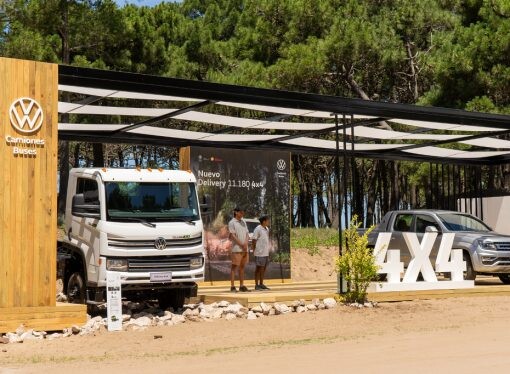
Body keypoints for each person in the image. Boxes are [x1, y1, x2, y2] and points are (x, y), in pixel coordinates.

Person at [228, 206, 250, 292]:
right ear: (236, 212)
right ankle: (232, 286)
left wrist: (246, 243)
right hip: (237, 248)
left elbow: (247, 233)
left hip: (245, 248)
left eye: (243, 212)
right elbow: (232, 235)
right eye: (241, 212)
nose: (242, 214)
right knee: (234, 267)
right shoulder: (232, 222)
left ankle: (242, 285)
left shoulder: (243, 221)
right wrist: (241, 244)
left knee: (242, 267)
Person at [252, 215, 271, 291]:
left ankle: (261, 284)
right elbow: (254, 240)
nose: (268, 222)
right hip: (259, 252)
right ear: (264, 221)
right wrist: (254, 250)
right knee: (258, 268)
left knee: (263, 269)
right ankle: (256, 285)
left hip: (265, 252)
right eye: (267, 220)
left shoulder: (267, 229)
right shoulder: (258, 229)